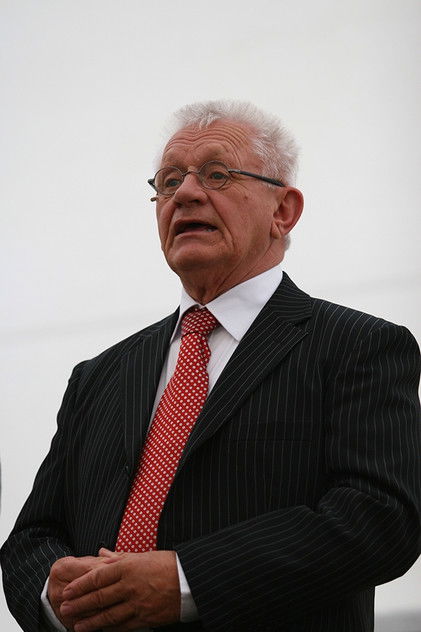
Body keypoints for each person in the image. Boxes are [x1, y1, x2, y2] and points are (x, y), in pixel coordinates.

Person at [1, 100, 420, 632]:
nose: (186, 194)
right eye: (169, 181)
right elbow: (31, 537)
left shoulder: (357, 346)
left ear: (283, 210)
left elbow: (381, 517)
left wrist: (186, 582)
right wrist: (54, 594)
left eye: (217, 174)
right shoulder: (98, 377)